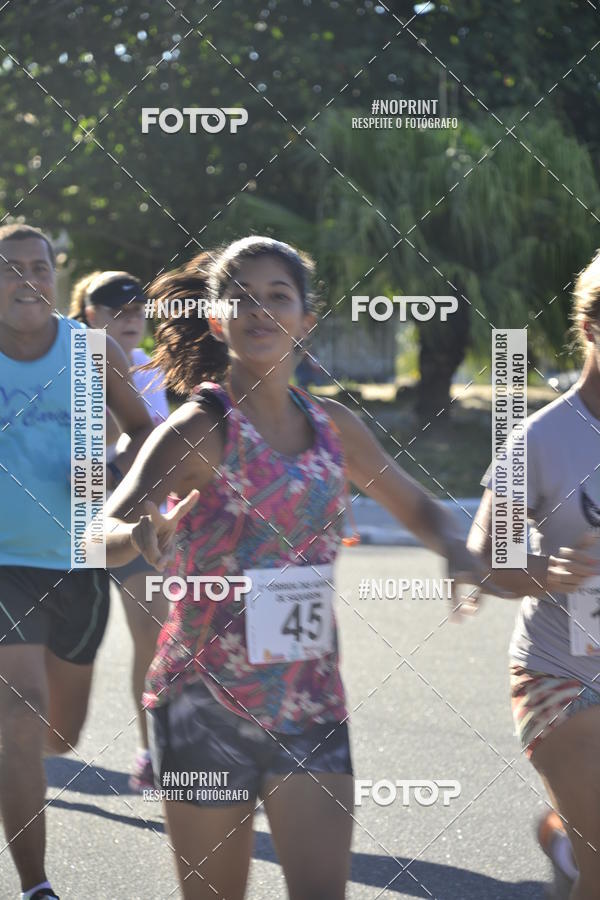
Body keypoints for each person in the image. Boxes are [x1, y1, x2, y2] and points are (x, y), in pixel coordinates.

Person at [104, 236, 482, 900]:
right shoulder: (198, 427)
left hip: (309, 702)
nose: (260, 310)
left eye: (278, 296)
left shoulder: (333, 425)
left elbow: (420, 505)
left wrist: (457, 549)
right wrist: (137, 534)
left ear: (306, 319)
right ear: (217, 320)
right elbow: (99, 531)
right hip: (202, 708)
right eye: (241, 298)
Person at [0, 223, 154, 900]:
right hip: (4, 561)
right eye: (11, 269)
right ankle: (37, 886)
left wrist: (121, 479)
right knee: (20, 711)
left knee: (57, 735)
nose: (27, 280)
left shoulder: (91, 351)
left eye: (40, 267)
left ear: (57, 279)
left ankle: (14, 757)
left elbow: (151, 432)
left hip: (81, 557)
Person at [467, 248, 600, 900]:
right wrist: (548, 570)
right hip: (563, 674)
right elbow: (487, 556)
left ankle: (566, 837)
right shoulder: (542, 438)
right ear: (592, 329)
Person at [69, 269, 171, 791]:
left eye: (138, 310)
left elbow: (158, 451)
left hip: (132, 523)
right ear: (89, 312)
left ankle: (152, 752)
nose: (131, 319)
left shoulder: (154, 373)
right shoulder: (58, 362)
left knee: (155, 638)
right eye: (117, 310)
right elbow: (70, 466)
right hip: (64, 527)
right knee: (44, 665)